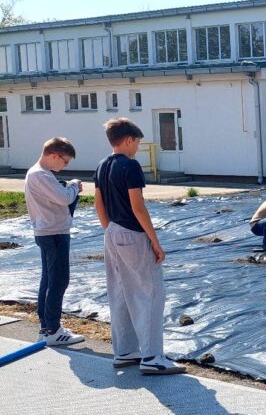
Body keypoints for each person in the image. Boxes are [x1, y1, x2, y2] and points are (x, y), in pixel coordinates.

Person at [94, 117, 185, 375]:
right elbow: (138, 206)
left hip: (112, 231)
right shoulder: (130, 166)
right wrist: (155, 242)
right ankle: (153, 357)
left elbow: (98, 203)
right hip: (133, 234)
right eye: (138, 142)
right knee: (151, 292)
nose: (138, 147)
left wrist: (109, 229)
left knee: (121, 291)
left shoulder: (102, 165)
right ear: (129, 140)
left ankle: (125, 351)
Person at [24, 137, 86, 346]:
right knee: (59, 280)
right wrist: (74, 186)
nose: (65, 165)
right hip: (54, 232)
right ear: (54, 155)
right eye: (65, 161)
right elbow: (64, 198)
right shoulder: (41, 175)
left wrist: (68, 188)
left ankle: (46, 327)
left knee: (49, 280)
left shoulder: (38, 174)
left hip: (47, 231)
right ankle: (52, 329)